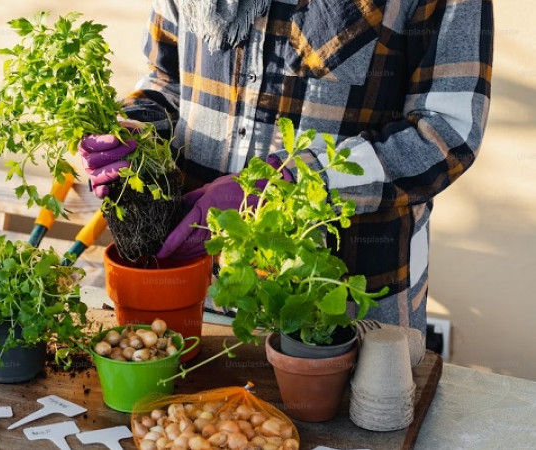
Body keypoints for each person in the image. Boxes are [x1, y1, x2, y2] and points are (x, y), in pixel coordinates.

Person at [79, 0, 493, 333]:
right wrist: (138, 131)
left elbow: (445, 133)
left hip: (341, 308)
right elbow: (166, 78)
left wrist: (283, 184)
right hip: (194, 293)